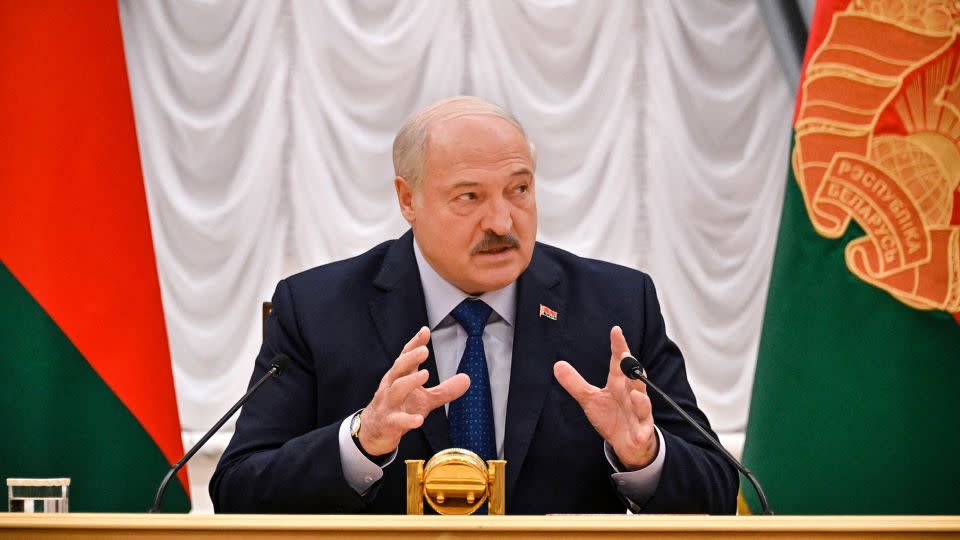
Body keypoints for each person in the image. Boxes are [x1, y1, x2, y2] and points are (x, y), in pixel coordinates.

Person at [210, 96, 737, 514]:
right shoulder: (317, 309)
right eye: (469, 197)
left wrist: (642, 457)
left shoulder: (615, 306)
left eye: (519, 190)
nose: (502, 223)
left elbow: (718, 491)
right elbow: (237, 491)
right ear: (408, 199)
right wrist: (361, 442)